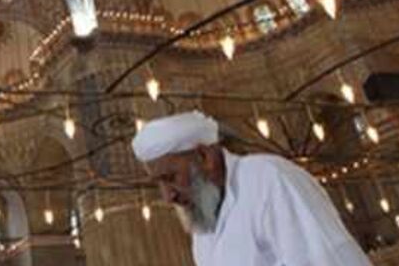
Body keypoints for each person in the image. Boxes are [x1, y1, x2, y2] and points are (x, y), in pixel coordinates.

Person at [132, 111, 371, 266]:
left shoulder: (267, 178)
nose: (168, 196)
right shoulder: (203, 229)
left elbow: (324, 259)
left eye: (170, 178)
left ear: (204, 156)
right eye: (159, 184)